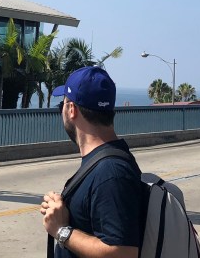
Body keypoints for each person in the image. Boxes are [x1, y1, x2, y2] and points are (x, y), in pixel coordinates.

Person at [40, 66, 143, 258]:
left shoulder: (111, 172)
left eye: (62, 105)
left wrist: (61, 231)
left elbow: (123, 253)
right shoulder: (104, 164)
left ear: (71, 109)